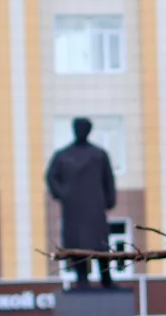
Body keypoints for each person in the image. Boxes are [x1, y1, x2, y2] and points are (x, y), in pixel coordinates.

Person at [45, 116, 118, 289]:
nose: (81, 131)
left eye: (85, 128)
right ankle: (82, 279)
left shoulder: (99, 155)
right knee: (77, 244)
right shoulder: (63, 155)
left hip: (94, 207)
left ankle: (106, 278)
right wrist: (64, 194)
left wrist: (110, 200)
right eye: (79, 128)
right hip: (74, 209)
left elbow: (108, 178)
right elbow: (51, 177)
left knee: (101, 244)